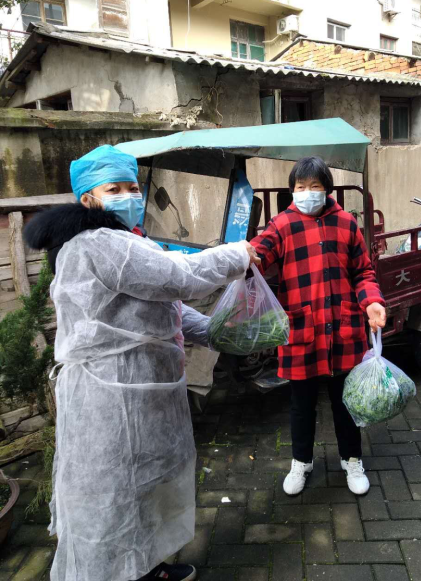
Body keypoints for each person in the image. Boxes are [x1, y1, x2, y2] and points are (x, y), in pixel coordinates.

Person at [24, 145, 261, 581]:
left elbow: (161, 301)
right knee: (117, 495)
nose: (128, 196)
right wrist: (236, 254)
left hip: (138, 390)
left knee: (146, 486)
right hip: (111, 397)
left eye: (132, 187)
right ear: (88, 199)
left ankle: (148, 567)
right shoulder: (98, 243)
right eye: (113, 189)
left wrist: (211, 331)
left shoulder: (127, 240)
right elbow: (180, 277)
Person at [250, 156, 386, 497]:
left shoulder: (346, 224)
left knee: (346, 403)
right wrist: (236, 257)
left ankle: (351, 459)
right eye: (301, 187)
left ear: (327, 189)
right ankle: (301, 462)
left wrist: (371, 301)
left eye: (315, 186)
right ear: (292, 190)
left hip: (343, 331)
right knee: (301, 405)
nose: (307, 192)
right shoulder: (281, 225)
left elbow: (363, 272)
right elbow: (257, 256)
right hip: (302, 333)